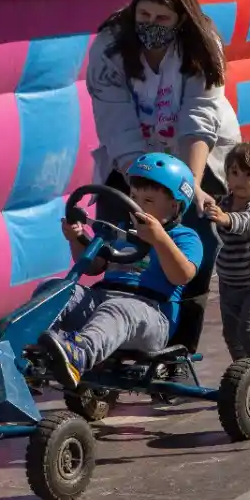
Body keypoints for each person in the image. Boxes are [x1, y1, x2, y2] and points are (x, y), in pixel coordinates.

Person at [85, 0, 241, 314]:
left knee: (196, 235)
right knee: (121, 233)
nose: (151, 24)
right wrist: (142, 186)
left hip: (196, 152)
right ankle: (117, 316)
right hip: (132, 155)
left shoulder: (202, 44)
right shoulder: (109, 46)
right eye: (144, 15)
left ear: (181, 19)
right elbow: (116, 123)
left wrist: (190, 185)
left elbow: (199, 115)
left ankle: (182, 330)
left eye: (162, 18)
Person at [41, 153, 204, 389]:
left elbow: (182, 275)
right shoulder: (119, 230)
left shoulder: (184, 237)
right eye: (134, 197)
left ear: (174, 205)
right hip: (103, 299)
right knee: (55, 289)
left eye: (148, 201)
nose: (137, 206)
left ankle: (80, 355)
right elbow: (94, 266)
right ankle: (35, 349)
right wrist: (76, 239)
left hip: (151, 314)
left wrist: (160, 239)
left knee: (117, 308)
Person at [202, 142, 250, 363]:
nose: (240, 180)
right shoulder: (223, 203)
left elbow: (248, 222)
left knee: (249, 332)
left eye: (248, 175)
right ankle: (243, 373)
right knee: (231, 335)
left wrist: (226, 219)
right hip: (228, 282)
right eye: (234, 173)